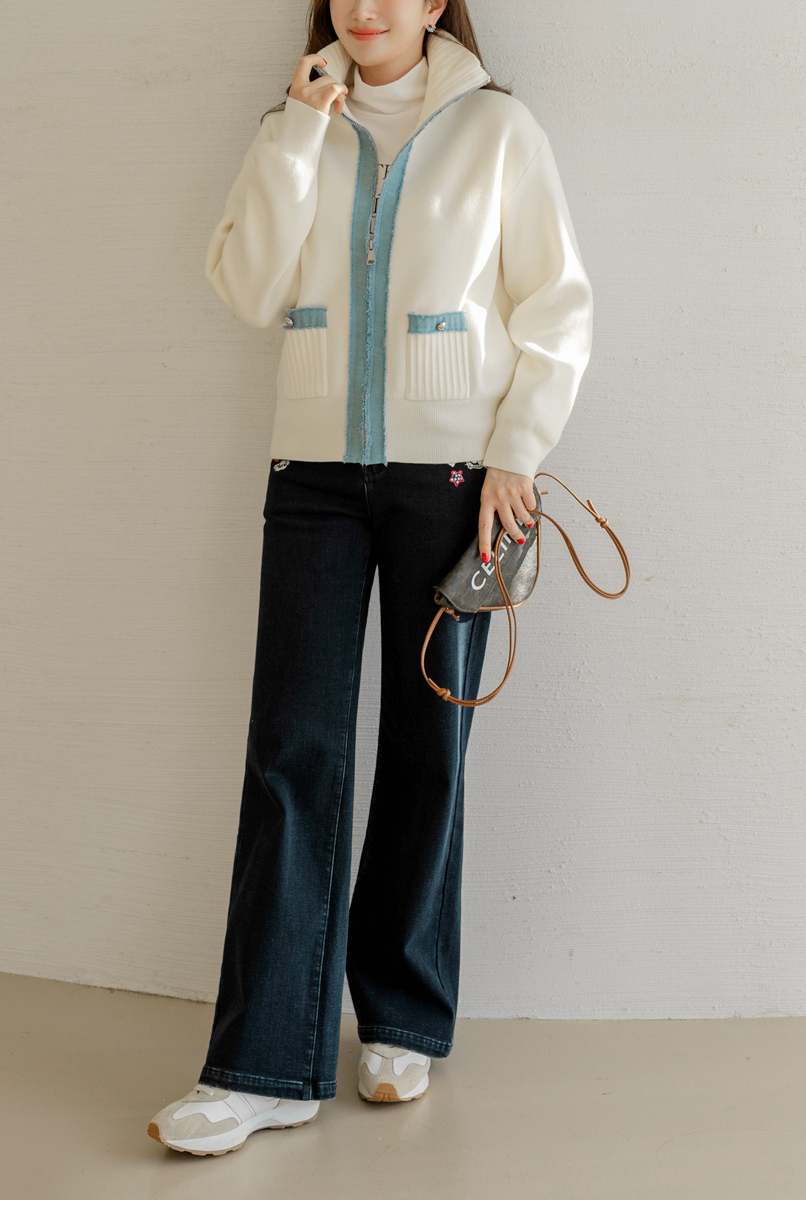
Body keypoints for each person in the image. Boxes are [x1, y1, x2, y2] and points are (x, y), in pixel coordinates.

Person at [147, 0, 593, 1156]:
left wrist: (515, 456)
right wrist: (298, 133)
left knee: (426, 745)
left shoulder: (496, 128)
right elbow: (247, 289)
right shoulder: (294, 122)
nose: (368, 5)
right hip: (311, 478)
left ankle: (399, 1017)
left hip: (455, 482)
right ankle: (263, 1066)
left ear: (438, 0)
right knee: (290, 753)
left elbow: (555, 306)